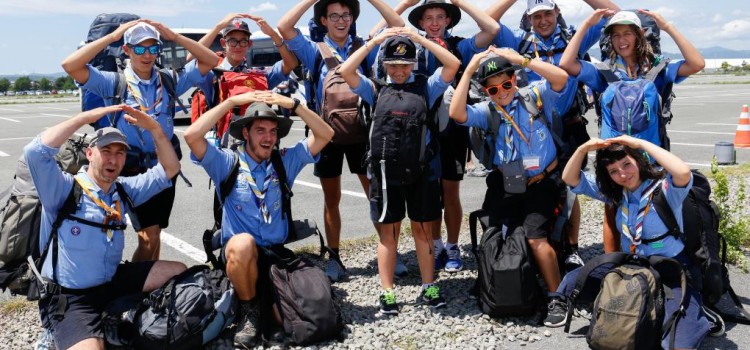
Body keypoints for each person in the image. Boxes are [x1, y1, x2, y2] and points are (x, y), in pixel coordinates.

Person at [25, 105, 186, 350]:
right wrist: (84, 118)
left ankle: (117, 319)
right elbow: (35, 152)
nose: (113, 159)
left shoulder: (123, 189)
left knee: (177, 271)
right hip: (72, 297)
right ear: (89, 153)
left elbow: (170, 168)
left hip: (111, 282)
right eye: (106, 150)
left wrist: (154, 128)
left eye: (120, 153)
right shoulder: (63, 189)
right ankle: (53, 334)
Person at [183, 90, 333, 347]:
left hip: (275, 255)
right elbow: (191, 135)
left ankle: (264, 304)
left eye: (273, 131)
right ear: (245, 133)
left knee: (295, 321)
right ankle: (248, 312)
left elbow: (326, 134)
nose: (269, 138)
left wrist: (294, 104)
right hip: (240, 257)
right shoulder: (226, 163)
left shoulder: (284, 162)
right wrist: (230, 102)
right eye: (261, 130)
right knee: (243, 245)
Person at [61, 20, 219, 262]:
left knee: (156, 232)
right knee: (148, 235)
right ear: (127, 50)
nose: (147, 55)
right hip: (134, 168)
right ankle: (137, 290)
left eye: (153, 48)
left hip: (165, 166)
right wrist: (112, 36)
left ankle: (151, 287)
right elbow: (70, 65)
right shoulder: (113, 82)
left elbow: (210, 60)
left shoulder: (168, 79)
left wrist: (174, 37)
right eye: (139, 48)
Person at [559, 8, 705, 266]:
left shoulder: (658, 70)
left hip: (650, 162)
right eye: (616, 35)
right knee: (612, 211)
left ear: (639, 36)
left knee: (656, 213)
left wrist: (668, 26)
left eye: (627, 33)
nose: (621, 39)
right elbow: (566, 64)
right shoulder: (603, 73)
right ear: (610, 40)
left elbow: (697, 64)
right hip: (615, 161)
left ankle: (661, 263)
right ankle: (615, 269)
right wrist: (586, 24)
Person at [487, 0, 621, 273]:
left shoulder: (574, 37)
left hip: (569, 125)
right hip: (531, 126)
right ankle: (536, 243)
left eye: (548, 13)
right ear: (528, 18)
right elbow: (487, 22)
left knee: (571, 187)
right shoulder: (519, 41)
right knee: (536, 186)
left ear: (557, 12)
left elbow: (615, 15)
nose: (543, 20)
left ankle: (570, 247)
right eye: (536, 16)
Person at [278, 0, 406, 282]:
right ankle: (335, 257)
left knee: (375, 194)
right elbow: (284, 27)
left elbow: (398, 25)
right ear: (323, 20)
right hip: (327, 135)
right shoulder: (313, 50)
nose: (340, 20)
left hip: (363, 133)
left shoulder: (365, 46)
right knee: (331, 198)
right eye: (333, 15)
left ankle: (389, 252)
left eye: (346, 15)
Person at [548, 135, 715, 348]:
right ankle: (649, 306)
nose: (623, 174)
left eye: (627, 164)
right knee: (572, 282)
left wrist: (640, 144)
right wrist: (583, 148)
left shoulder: (664, 190)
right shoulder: (617, 194)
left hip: (670, 271)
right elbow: (570, 178)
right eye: (614, 171)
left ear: (638, 160)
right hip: (633, 268)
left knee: (677, 344)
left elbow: (682, 172)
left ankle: (693, 311)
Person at [369, 0, 498, 273]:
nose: (435, 22)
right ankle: (435, 244)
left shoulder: (460, 45)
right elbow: (374, 36)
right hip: (417, 131)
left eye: (441, 16)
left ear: (449, 21)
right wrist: (406, 9)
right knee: (429, 193)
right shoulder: (412, 46)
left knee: (450, 191)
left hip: (451, 128)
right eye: (428, 18)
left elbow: (491, 28)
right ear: (420, 23)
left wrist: (458, 2)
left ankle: (452, 245)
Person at [340, 27, 459, 314]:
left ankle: (429, 286)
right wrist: (376, 41)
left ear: (413, 64)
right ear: (384, 64)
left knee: (422, 229)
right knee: (389, 234)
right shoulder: (375, 89)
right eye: (393, 65)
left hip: (421, 170)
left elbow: (452, 65)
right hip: (385, 173)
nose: (399, 70)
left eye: (405, 65)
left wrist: (420, 40)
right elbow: (346, 70)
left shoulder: (426, 88)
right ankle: (387, 291)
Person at [448, 47, 569, 316]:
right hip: (506, 183)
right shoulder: (487, 110)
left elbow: (560, 78)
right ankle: (492, 277)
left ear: (515, 79)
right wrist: (469, 70)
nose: (502, 92)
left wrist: (519, 60)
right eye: (493, 89)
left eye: (506, 83)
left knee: (536, 237)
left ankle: (556, 295)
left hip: (541, 182)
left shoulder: (534, 96)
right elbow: (457, 113)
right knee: (491, 231)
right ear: (486, 92)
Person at [191, 14, 298, 137]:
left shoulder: (261, 75)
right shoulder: (212, 75)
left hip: (258, 144)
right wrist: (218, 27)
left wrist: (274, 35)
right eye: (232, 41)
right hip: (224, 146)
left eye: (243, 41)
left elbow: (291, 64)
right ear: (223, 43)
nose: (238, 46)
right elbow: (191, 60)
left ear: (249, 44)